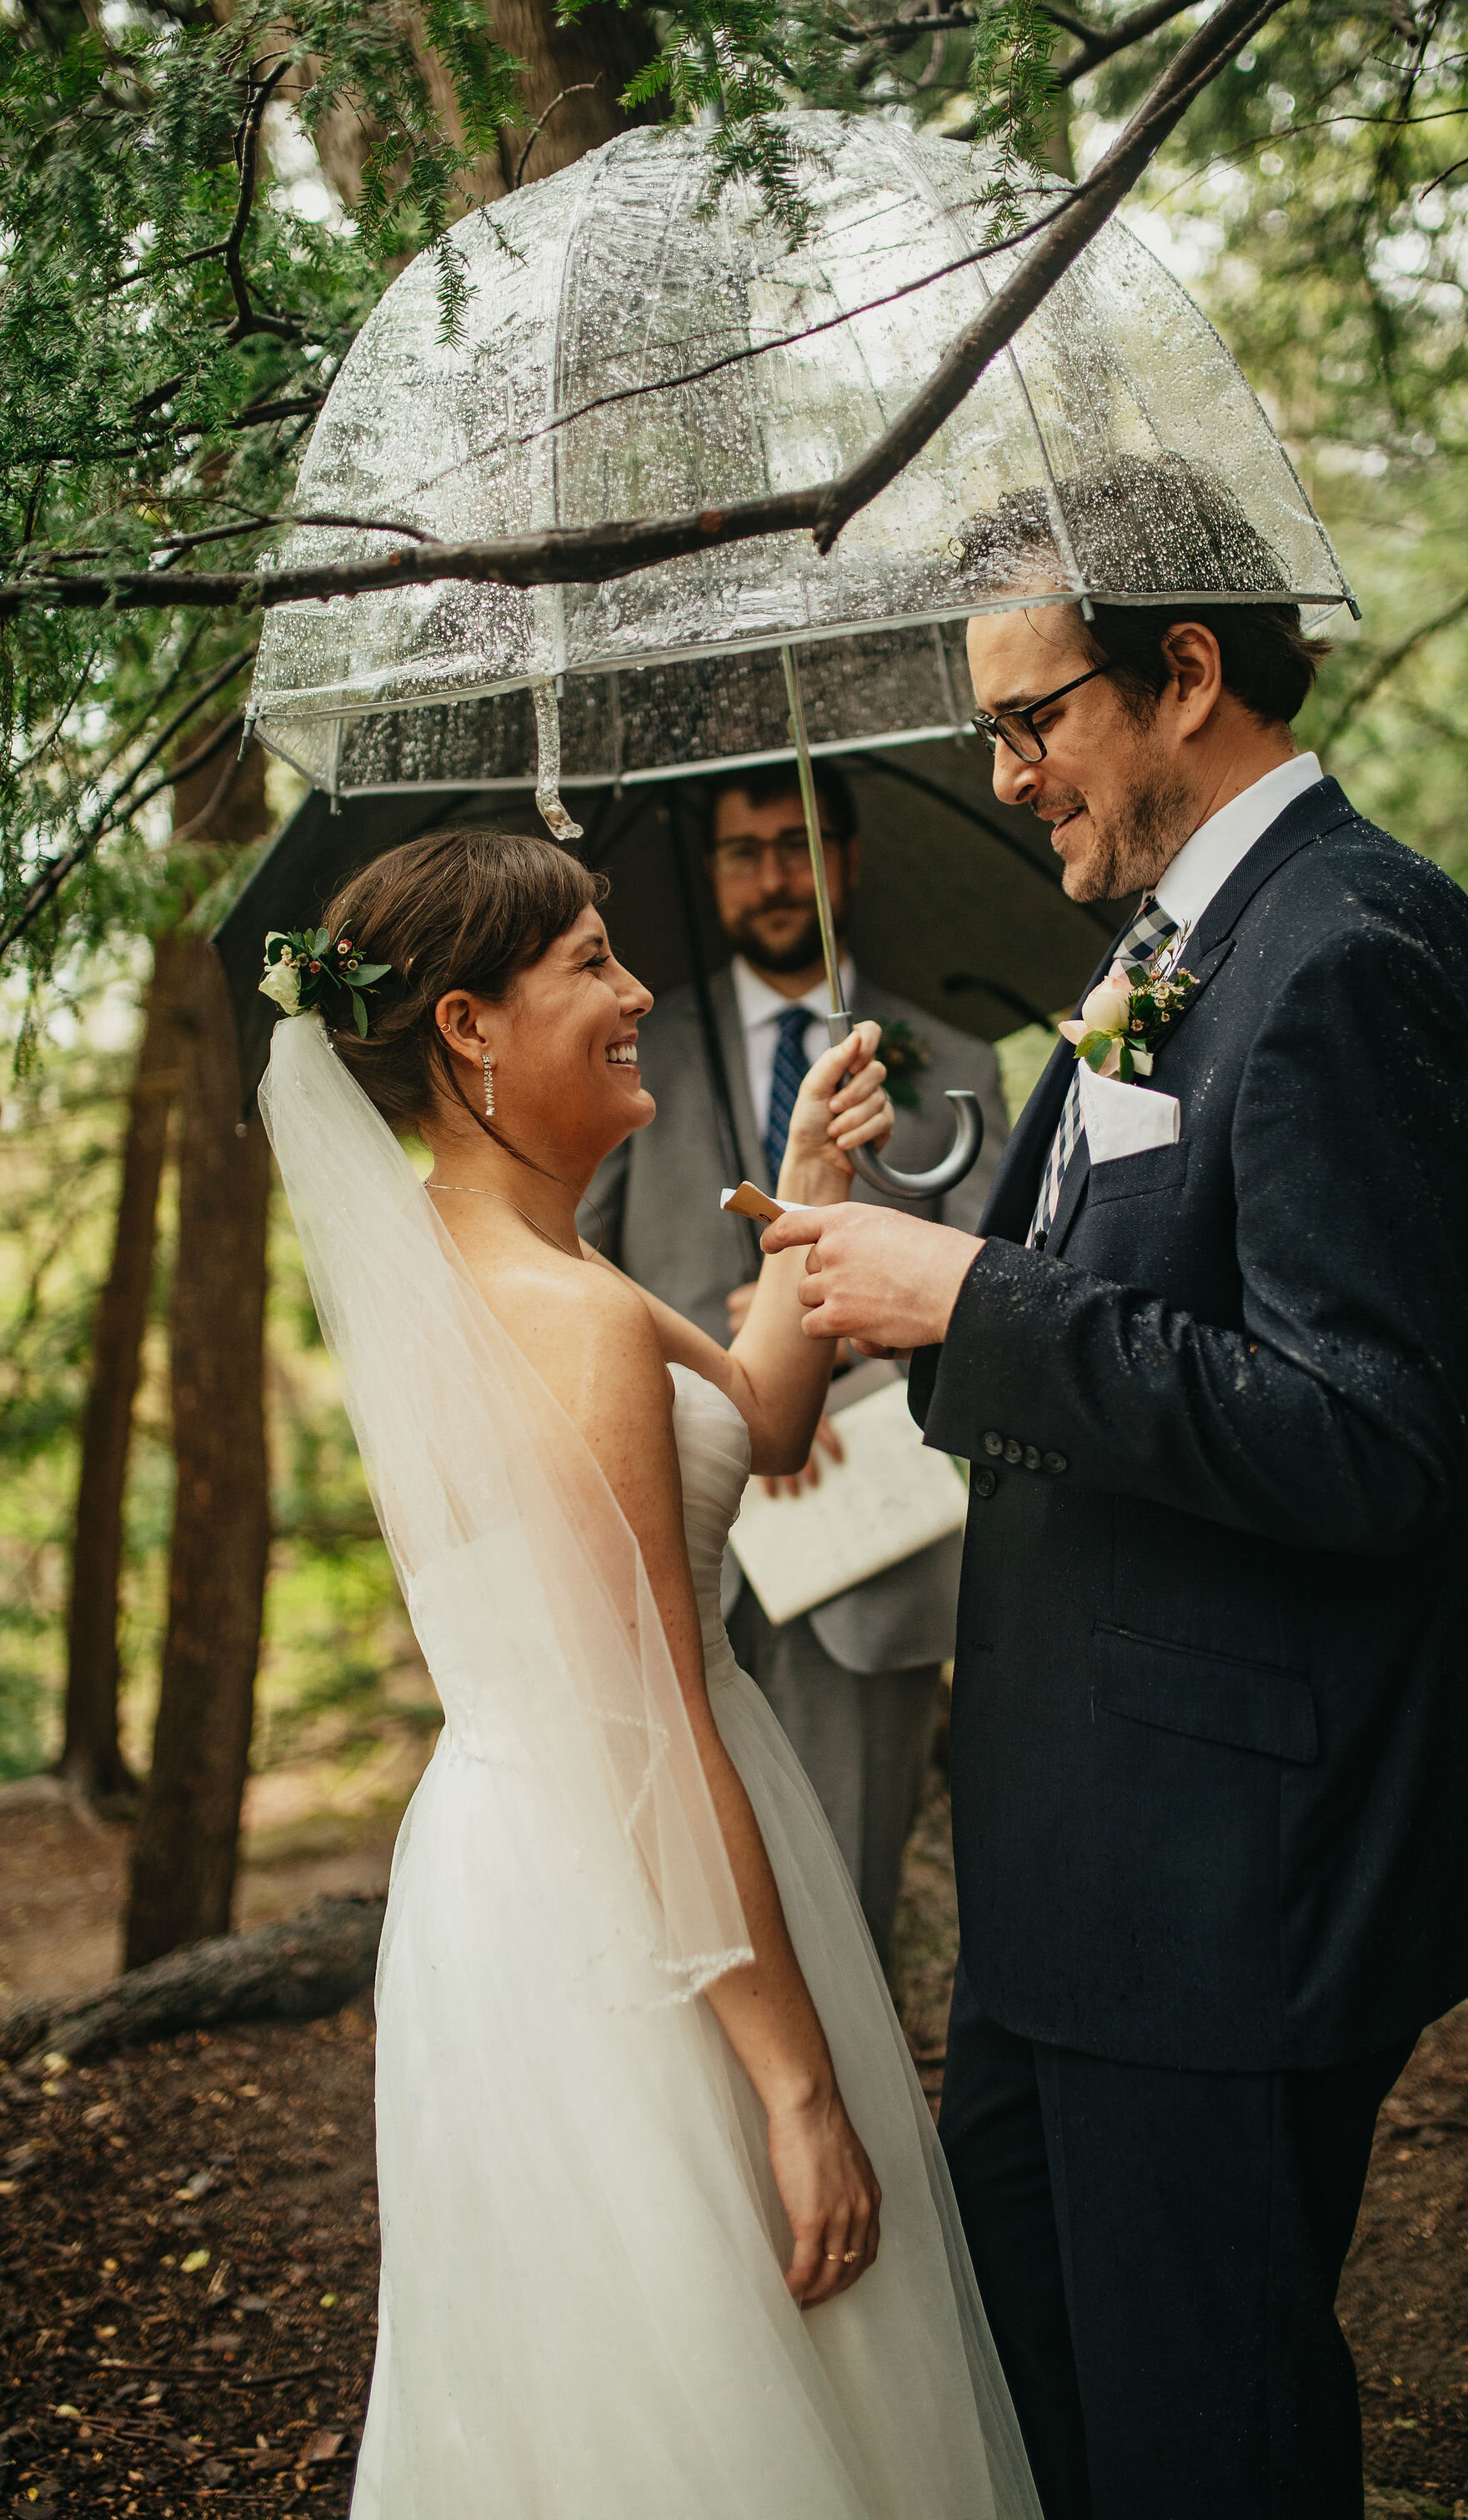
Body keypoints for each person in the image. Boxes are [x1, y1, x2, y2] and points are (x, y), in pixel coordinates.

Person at [760, 564, 1468, 2518]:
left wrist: (976, 1300)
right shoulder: (1172, 950)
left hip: (1228, 1879)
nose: (1011, 774)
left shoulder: (1350, 948)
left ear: (1184, 673)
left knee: (1205, 2437)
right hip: (1083, 1864)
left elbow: (1368, 1438)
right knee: (1041, 2396)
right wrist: (921, 1287)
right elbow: (1092, 1328)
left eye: (1030, 721)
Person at [257, 832, 1040, 2520]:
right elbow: (659, 1718)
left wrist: (809, 1174)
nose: (634, 996)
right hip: (645, 1867)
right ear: (467, 1027)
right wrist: (802, 2083)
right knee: (736, 2326)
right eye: (592, 966)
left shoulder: (481, 1263)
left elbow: (759, 1419)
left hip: (509, 1864)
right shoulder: (577, 1315)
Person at [581, 759, 1007, 1971]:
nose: (774, 874)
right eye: (743, 849)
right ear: (708, 873)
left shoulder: (954, 1060)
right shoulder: (627, 1056)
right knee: (692, 1916)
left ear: (846, 861)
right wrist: (718, 1361)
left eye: (798, 845)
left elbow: (1010, 1287)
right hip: (679, 1539)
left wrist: (844, 1321)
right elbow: (575, 1263)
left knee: (845, 1911)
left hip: (867, 1543)